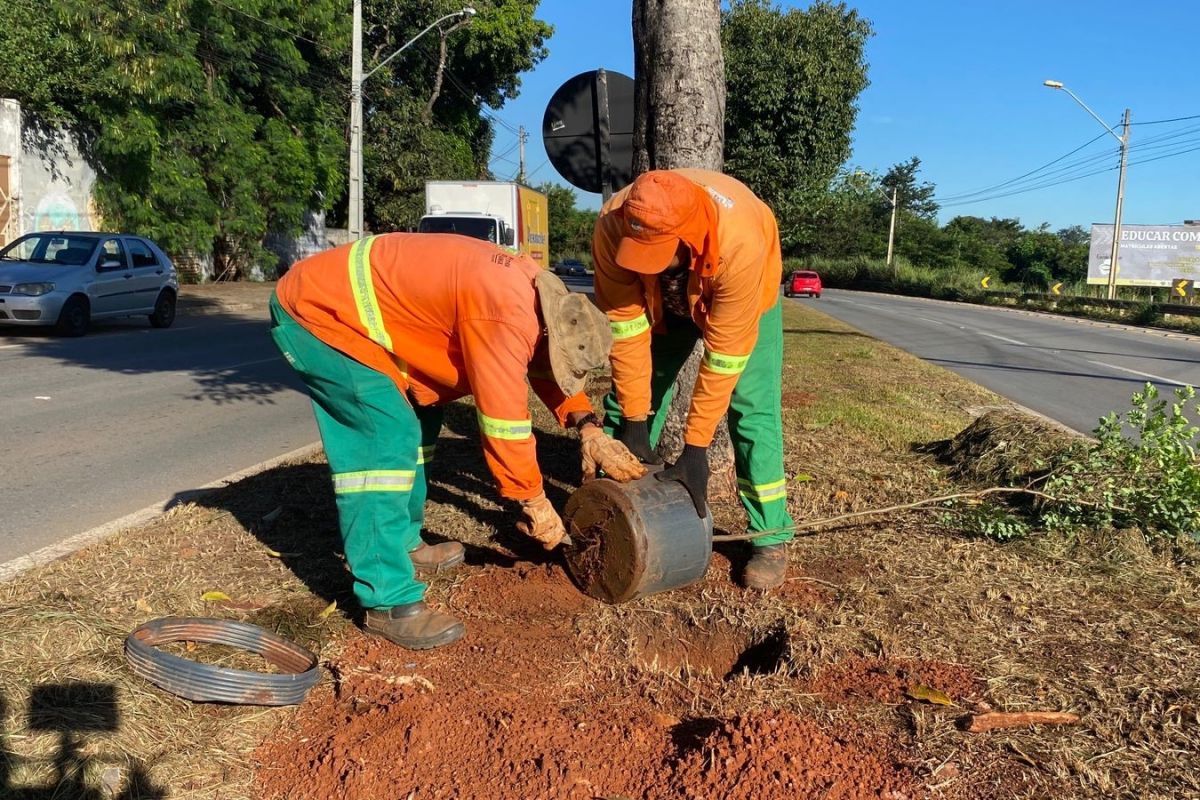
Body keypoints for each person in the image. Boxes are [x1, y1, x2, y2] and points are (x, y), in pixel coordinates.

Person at [270, 233, 646, 650]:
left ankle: (403, 543)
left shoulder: (546, 296)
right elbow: (505, 425)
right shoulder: (503, 315)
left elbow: (543, 363)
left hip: (375, 316)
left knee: (421, 422)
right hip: (322, 313)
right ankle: (387, 600)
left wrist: (588, 426)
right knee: (386, 438)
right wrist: (534, 500)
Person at [592, 168, 795, 590]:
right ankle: (605, 505)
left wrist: (696, 447)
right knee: (627, 399)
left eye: (657, 251)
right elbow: (625, 328)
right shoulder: (614, 223)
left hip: (743, 296)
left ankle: (770, 539)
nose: (646, 257)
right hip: (664, 302)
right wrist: (633, 422)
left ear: (687, 238)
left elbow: (723, 358)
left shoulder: (741, 243)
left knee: (752, 412)